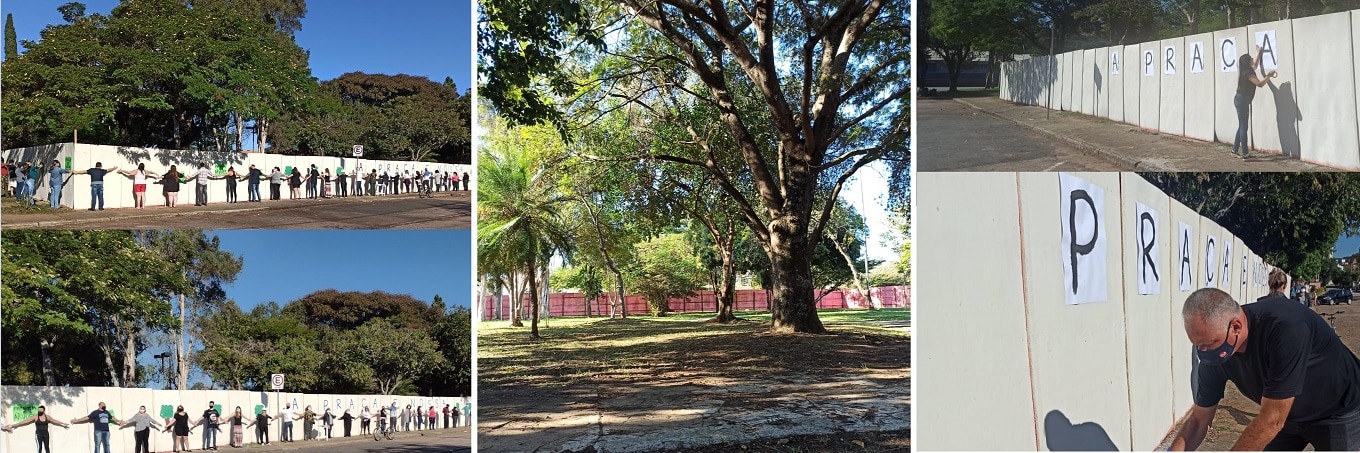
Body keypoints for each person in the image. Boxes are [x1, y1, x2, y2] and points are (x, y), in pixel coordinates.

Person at [1169, 277, 1360, 450]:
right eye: (1197, 345)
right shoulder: (1214, 354)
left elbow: (1272, 421)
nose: (1203, 352)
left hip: (1338, 411)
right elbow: (1198, 421)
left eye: (1209, 343)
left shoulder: (1285, 328)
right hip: (1287, 415)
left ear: (1235, 326)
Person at [1232, 45, 1279, 159]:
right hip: (1242, 100)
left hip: (1240, 99)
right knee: (1244, 126)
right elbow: (1260, 84)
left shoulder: (1246, 70)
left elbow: (1255, 64)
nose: (1253, 60)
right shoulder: (1248, 73)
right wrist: (1268, 76)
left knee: (1242, 125)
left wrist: (1259, 52)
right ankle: (1245, 153)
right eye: (1251, 59)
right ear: (1248, 62)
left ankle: (1234, 149)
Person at [3, 404, 71, 453]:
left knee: (47, 448)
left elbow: (55, 421)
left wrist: (63, 424)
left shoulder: (48, 417)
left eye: (41, 411)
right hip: (38, 435)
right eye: (39, 411)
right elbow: (25, 421)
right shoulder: (35, 417)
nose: (39, 412)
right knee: (39, 448)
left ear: (44, 411)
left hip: (46, 434)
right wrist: (15, 425)